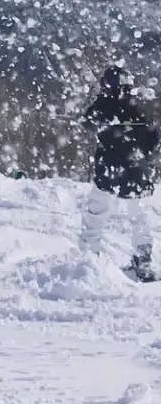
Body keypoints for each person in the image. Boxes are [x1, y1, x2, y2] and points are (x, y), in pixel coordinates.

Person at [81, 65, 160, 281]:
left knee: (95, 213)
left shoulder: (103, 104)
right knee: (139, 216)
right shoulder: (139, 106)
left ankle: (90, 259)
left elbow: (87, 122)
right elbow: (154, 137)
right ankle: (143, 262)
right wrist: (139, 153)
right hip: (137, 170)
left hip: (109, 170)